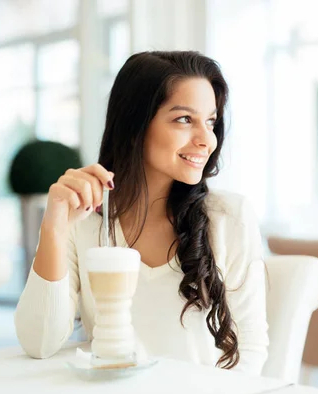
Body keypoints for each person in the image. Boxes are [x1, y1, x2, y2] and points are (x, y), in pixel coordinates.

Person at [14, 51, 269, 375]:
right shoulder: (86, 220)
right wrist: (53, 230)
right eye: (184, 119)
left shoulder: (228, 217)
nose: (207, 139)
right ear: (135, 126)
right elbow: (39, 343)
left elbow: (249, 351)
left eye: (211, 121)